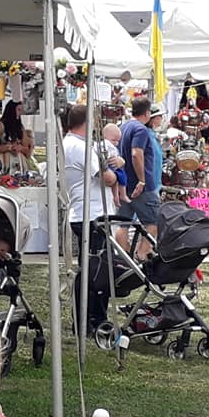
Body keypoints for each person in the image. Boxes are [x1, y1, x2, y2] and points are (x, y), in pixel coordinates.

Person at [64, 105, 124, 335]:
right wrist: (115, 167)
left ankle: (85, 318)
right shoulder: (81, 148)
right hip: (93, 215)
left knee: (89, 267)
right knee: (98, 271)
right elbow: (107, 178)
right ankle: (92, 318)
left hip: (83, 211)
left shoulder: (68, 144)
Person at [114, 97, 161, 260]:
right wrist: (142, 179)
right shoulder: (140, 129)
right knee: (153, 221)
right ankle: (142, 254)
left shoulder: (124, 126)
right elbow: (136, 153)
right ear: (147, 113)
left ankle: (125, 256)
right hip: (140, 187)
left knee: (123, 223)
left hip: (124, 184)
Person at [0, 100, 33, 173]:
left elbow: (27, 150)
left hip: (18, 163)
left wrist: (21, 148)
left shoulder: (20, 127)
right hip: (3, 161)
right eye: (18, 110)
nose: (20, 113)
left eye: (21, 110)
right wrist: (9, 147)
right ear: (11, 110)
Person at [102, 122, 128, 208]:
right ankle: (121, 195)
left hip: (113, 166)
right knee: (121, 178)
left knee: (117, 180)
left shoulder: (112, 146)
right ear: (105, 137)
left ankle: (117, 196)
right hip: (110, 166)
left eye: (118, 141)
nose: (116, 143)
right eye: (114, 140)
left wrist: (121, 161)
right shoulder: (105, 144)